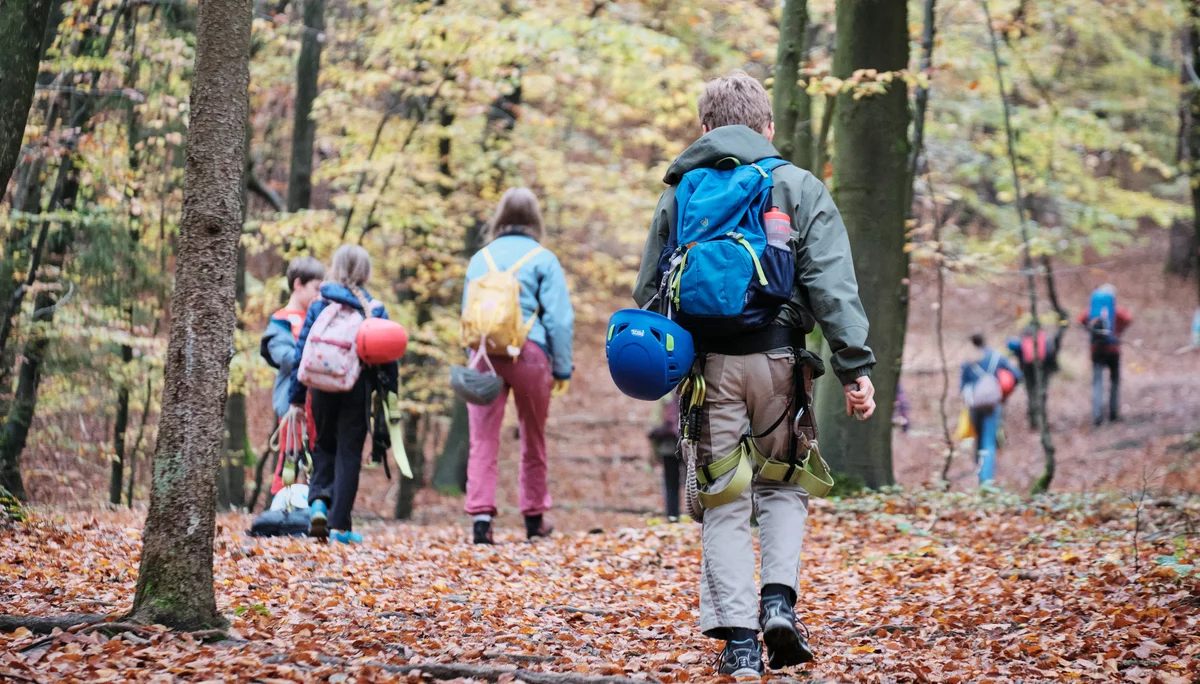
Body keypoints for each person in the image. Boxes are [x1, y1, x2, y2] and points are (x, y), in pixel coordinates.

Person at [632, 71, 877, 677]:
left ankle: (740, 645)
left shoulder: (681, 192)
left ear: (706, 128)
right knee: (784, 484)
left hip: (710, 370)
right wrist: (853, 366)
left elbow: (648, 295)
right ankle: (778, 604)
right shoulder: (796, 186)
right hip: (780, 365)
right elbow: (831, 285)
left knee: (724, 501)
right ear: (767, 127)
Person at [463, 188, 574, 545]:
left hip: (484, 355)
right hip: (530, 355)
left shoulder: (480, 258)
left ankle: (481, 518)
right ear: (535, 220)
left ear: (499, 217)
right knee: (533, 437)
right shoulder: (544, 259)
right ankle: (534, 518)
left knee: (482, 440)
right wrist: (562, 368)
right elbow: (559, 321)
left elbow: (468, 316)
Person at [288, 245, 399, 544]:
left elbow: (303, 352)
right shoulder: (373, 309)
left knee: (322, 445)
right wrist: (390, 400)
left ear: (335, 268)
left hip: (320, 388)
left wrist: (296, 397)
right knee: (349, 453)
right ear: (365, 272)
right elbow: (389, 362)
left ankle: (319, 506)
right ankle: (340, 527)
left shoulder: (319, 304)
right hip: (356, 388)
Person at [262, 256, 325, 419]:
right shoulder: (281, 322)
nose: (319, 296)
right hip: (292, 411)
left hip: (320, 408)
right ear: (298, 284)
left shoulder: (323, 318)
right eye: (316, 289)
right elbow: (285, 357)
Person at [960, 333, 1021, 484]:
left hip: (974, 405)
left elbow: (962, 386)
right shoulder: (996, 357)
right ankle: (986, 478)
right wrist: (1005, 392)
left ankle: (979, 471)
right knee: (989, 440)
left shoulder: (967, 360)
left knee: (979, 439)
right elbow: (1017, 375)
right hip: (994, 404)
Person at [1078, 284, 1132, 426]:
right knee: (1114, 381)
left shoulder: (1092, 310)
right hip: (1113, 349)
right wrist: (1118, 331)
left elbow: (1081, 320)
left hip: (1096, 350)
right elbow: (1128, 318)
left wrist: (1092, 332)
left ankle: (1097, 416)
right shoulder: (1115, 310)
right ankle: (1113, 413)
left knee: (1097, 382)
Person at [1005, 319, 1063, 430]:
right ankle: (1041, 420)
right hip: (1043, 369)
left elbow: (1017, 352)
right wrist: (1053, 368)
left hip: (1027, 369)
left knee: (1031, 393)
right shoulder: (1043, 337)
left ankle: (1033, 421)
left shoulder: (1024, 337)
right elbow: (1051, 352)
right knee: (1041, 393)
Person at [649, 394, 682, 521]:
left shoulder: (664, 394)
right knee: (693, 481)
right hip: (688, 444)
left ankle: (672, 515)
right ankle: (698, 515)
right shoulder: (690, 387)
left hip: (668, 446)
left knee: (670, 483)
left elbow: (655, 422)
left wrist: (654, 453)